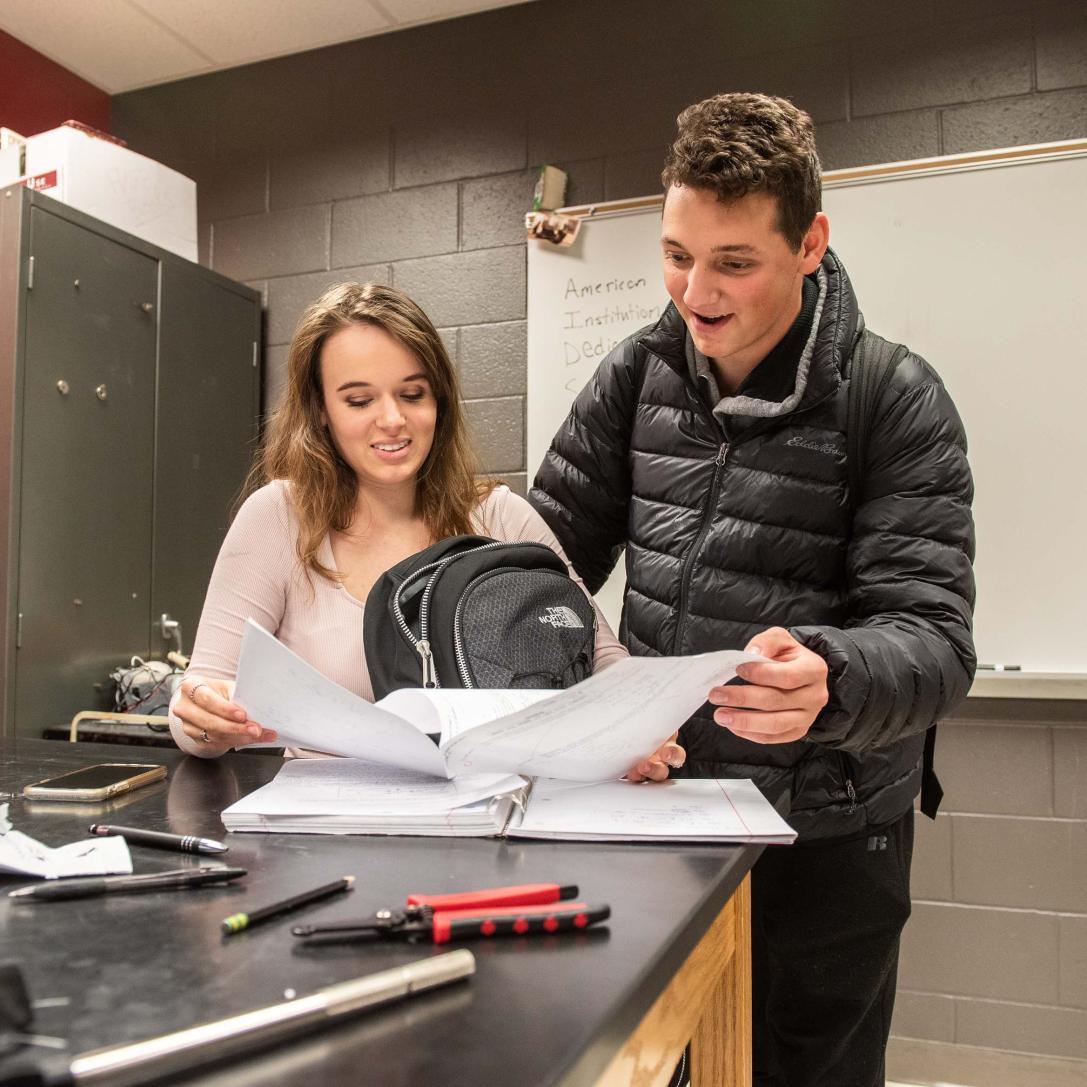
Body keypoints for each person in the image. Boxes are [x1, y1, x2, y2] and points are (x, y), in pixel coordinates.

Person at [530, 93, 975, 1087]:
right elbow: (540, 566)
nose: (696, 291)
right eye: (677, 254)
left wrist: (834, 672)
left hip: (825, 838)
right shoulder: (634, 373)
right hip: (665, 818)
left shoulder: (891, 397)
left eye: (734, 262)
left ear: (810, 241)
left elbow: (936, 642)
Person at [170, 281, 680, 780]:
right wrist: (204, 721)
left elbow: (602, 660)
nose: (392, 419)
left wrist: (640, 729)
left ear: (439, 400)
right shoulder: (278, 516)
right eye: (359, 400)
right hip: (327, 834)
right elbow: (201, 698)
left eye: (412, 394)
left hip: (487, 824)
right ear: (320, 412)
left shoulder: (501, 517)